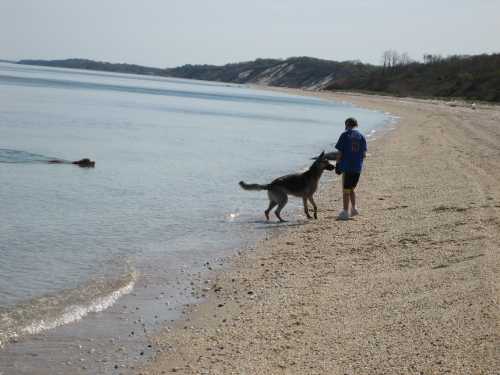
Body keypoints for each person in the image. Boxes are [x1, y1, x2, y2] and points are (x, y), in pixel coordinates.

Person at [334, 117, 367, 220]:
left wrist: (337, 164)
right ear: (356, 125)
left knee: (345, 190)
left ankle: (345, 211)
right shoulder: (361, 136)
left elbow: (340, 152)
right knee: (352, 188)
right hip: (357, 167)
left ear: (347, 124)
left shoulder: (344, 135)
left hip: (347, 166)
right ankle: (354, 209)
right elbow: (364, 154)